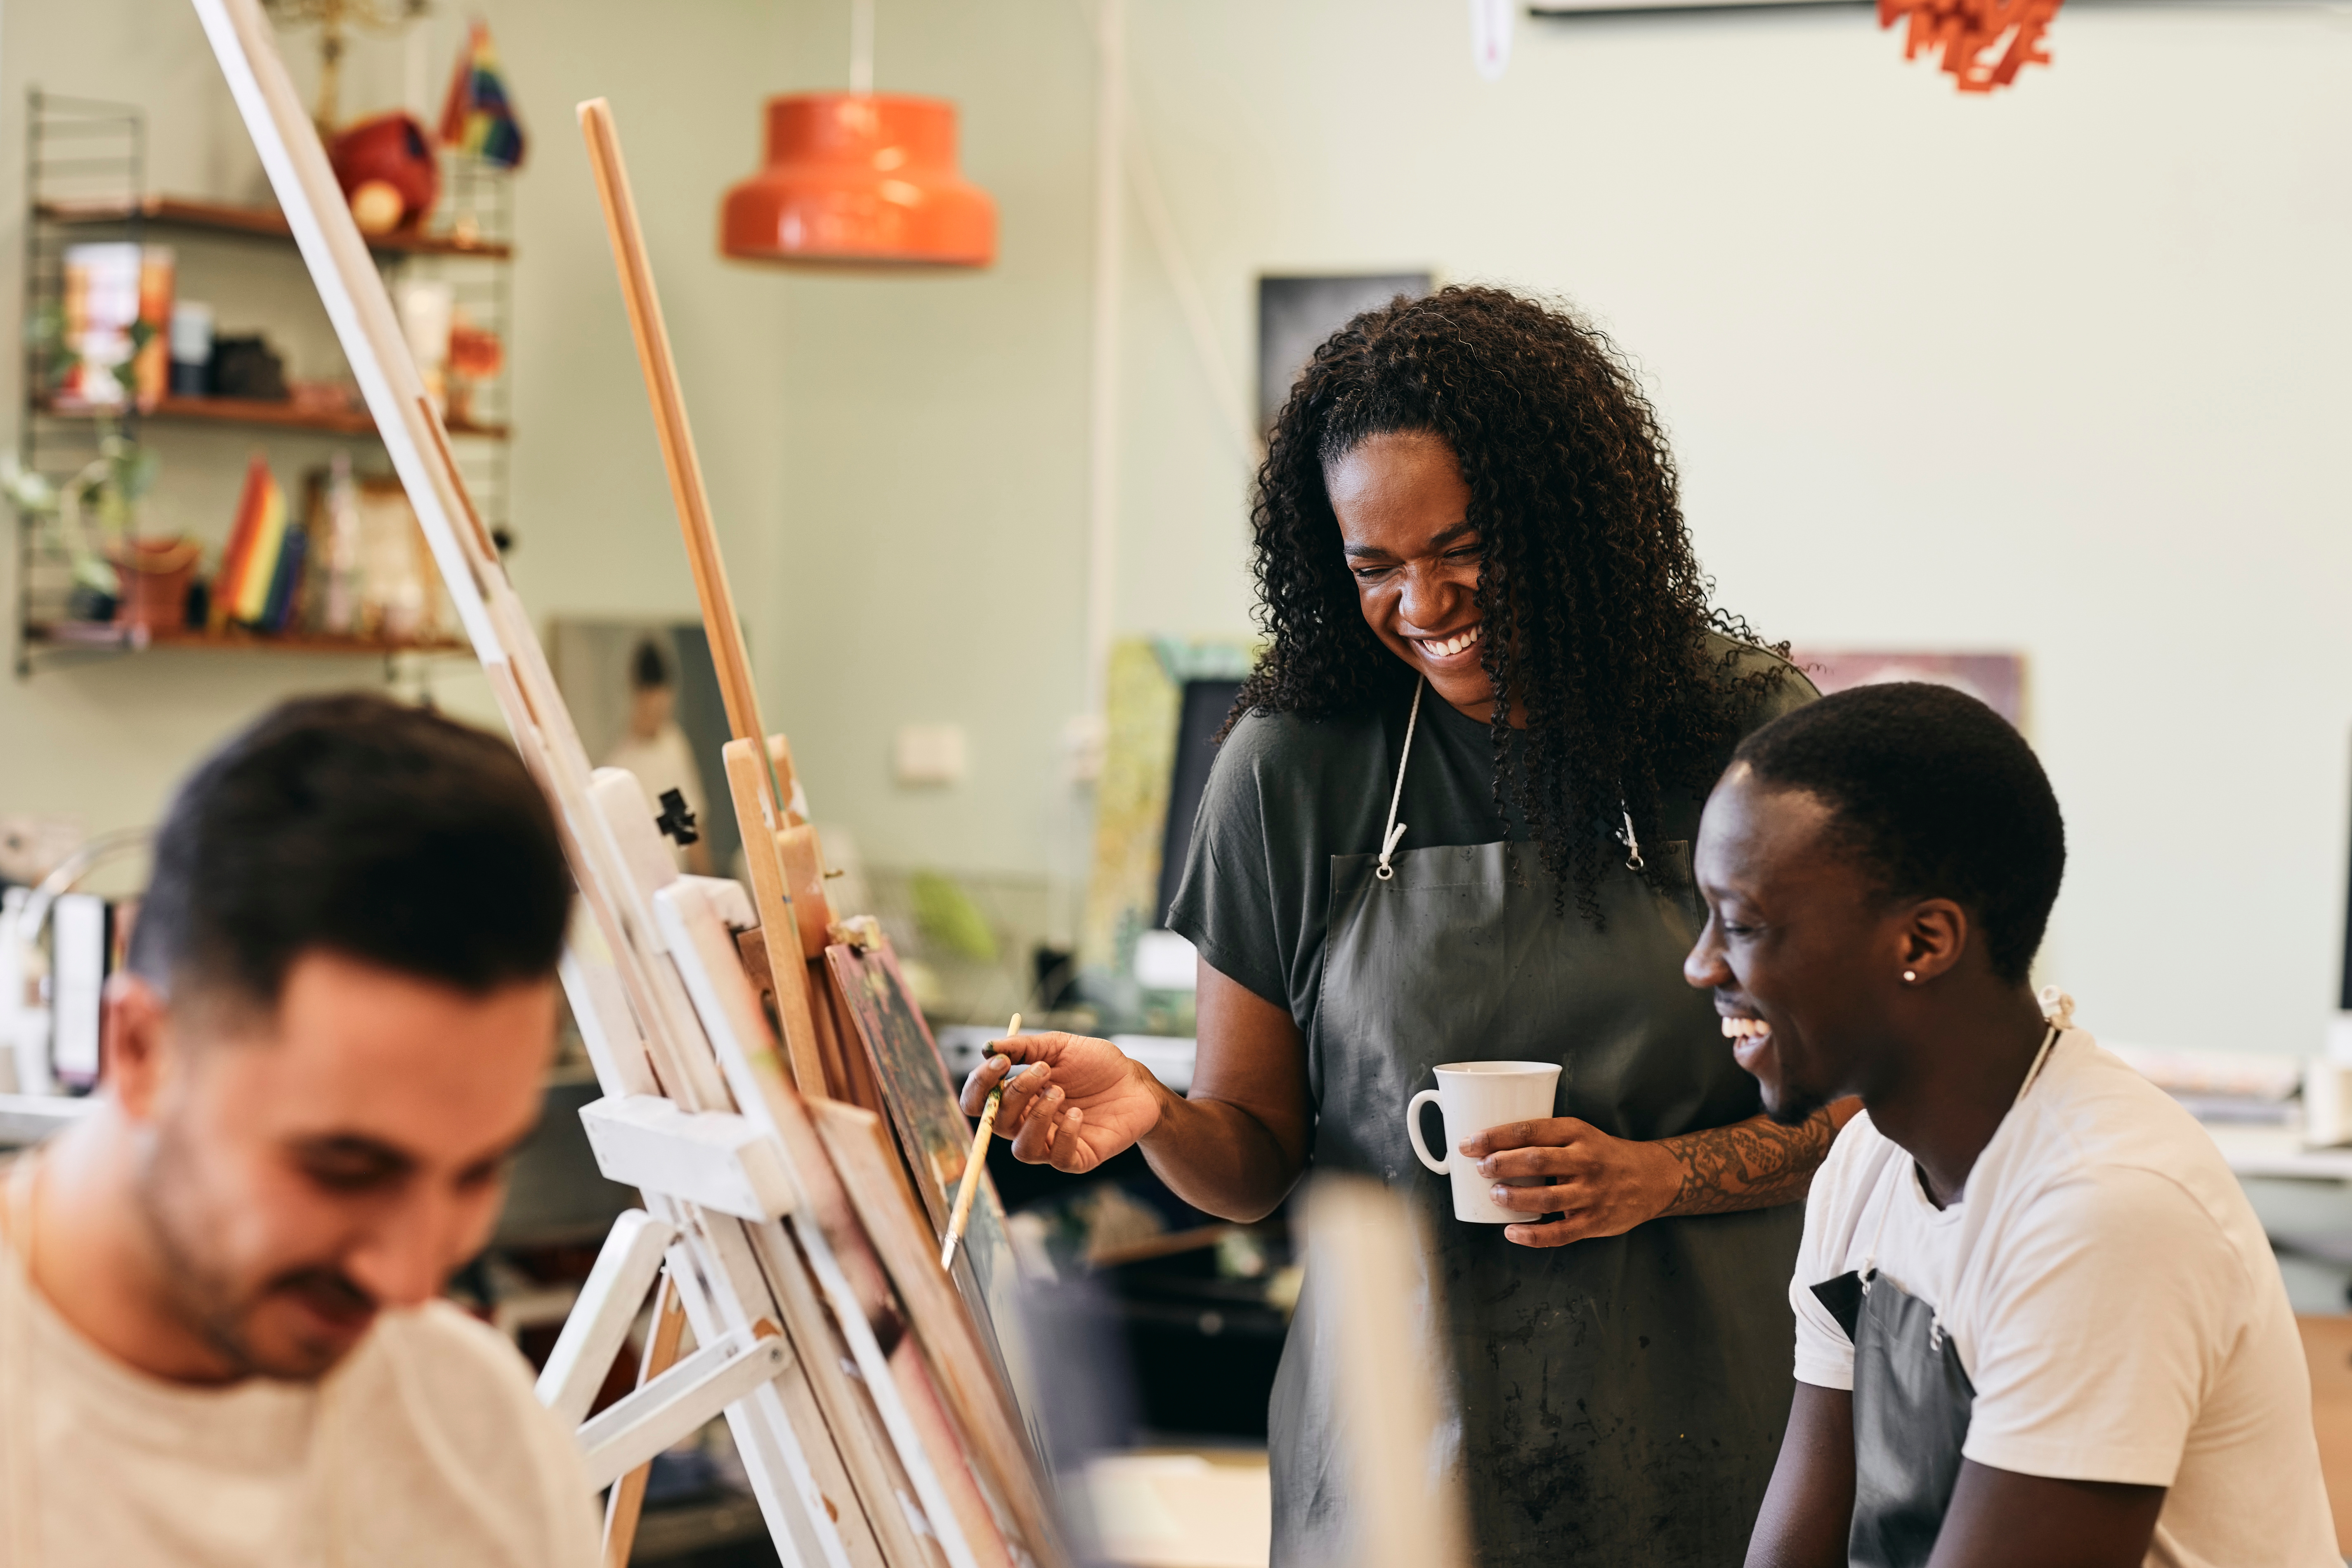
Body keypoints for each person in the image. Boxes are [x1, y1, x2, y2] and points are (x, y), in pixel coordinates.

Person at [963, 286, 1849, 1565]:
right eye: (1373, 567)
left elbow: (1857, 1109)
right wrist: (1152, 1110)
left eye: (1464, 548)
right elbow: (1258, 1153)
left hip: (1715, 1438)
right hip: (1395, 1461)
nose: (1423, 603)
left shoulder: (1733, 730)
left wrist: (1659, 1178)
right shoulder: (1291, 764)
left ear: (1570, 524)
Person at [1684, 682, 2338, 1568]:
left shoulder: (2106, 1212)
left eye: (1744, 923)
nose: (1701, 963)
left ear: (1923, 943)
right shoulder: (1867, 1163)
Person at [0, 694, 600, 1567]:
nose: (409, 1283)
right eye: (344, 1167)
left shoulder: (482, 1434)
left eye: (475, 1174)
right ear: (139, 1050)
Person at [604, 638, 711, 874]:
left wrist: (708, 883)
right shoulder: (619, 764)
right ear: (637, 696)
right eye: (652, 709)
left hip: (673, 878)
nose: (658, 717)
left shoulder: (672, 745)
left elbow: (686, 827)